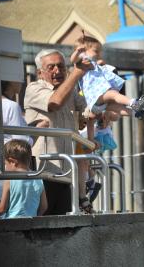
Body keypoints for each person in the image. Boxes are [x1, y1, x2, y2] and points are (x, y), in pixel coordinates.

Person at [24, 49, 95, 215]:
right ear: (40, 72)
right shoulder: (33, 88)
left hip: (67, 172)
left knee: (64, 227)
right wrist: (77, 72)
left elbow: (88, 112)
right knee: (42, 225)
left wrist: (102, 107)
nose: (57, 70)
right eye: (51, 67)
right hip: (43, 172)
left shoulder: (69, 91)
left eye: (61, 66)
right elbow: (54, 102)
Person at [0, 80, 49, 207]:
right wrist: (38, 130)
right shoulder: (10, 106)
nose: (22, 81)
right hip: (6, 174)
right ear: (10, 81)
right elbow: (21, 145)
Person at [71, 35, 144, 120]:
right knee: (113, 94)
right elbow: (73, 60)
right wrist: (77, 52)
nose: (99, 54)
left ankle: (135, 113)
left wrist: (100, 65)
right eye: (96, 51)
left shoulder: (93, 63)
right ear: (83, 51)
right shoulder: (81, 62)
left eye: (100, 52)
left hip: (96, 102)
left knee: (116, 107)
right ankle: (133, 103)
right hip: (95, 97)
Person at [0, 139, 48, 218]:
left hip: (11, 225)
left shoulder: (9, 179)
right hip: (31, 224)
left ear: (12, 162)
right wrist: (35, 217)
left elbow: (2, 209)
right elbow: (44, 207)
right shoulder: (38, 178)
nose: (5, 168)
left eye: (5, 164)